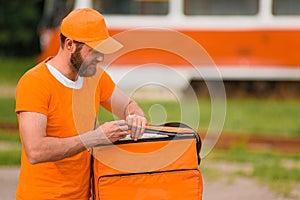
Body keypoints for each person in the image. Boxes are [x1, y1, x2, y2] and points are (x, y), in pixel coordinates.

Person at [15, 8, 147, 200]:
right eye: (94, 51)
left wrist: (136, 118)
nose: (100, 58)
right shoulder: (35, 82)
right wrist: (95, 137)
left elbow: (129, 106)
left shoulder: (96, 77)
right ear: (70, 44)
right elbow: (35, 150)